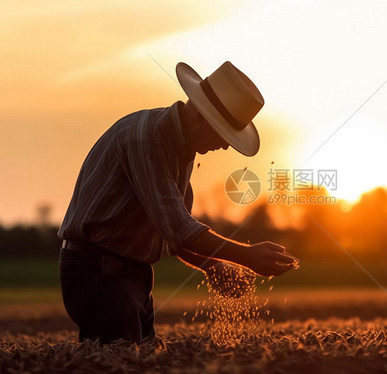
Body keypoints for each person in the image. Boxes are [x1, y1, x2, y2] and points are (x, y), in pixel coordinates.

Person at [57, 61, 298, 344]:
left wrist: (212, 265)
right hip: (98, 271)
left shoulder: (180, 148)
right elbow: (180, 229)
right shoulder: (145, 139)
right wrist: (247, 256)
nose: (222, 146)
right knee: (118, 360)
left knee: (137, 358)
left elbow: (176, 236)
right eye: (222, 136)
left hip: (129, 272)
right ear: (200, 118)